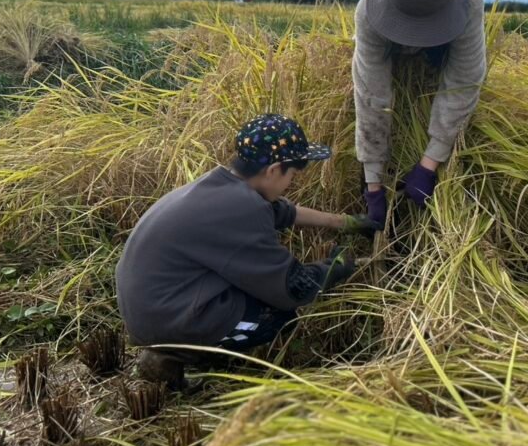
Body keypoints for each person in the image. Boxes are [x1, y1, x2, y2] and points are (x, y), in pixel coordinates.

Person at [115, 113, 380, 388]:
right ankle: (176, 355)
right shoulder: (243, 207)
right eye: (292, 175)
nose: (291, 183)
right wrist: (339, 267)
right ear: (274, 170)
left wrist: (343, 223)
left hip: (150, 308)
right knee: (276, 315)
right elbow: (292, 288)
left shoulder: (221, 187)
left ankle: (170, 352)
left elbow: (281, 212)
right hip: (166, 319)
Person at [353, 0, 487, 225]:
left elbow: (464, 79)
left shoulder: (469, 1)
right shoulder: (369, 9)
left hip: (441, 54)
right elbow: (370, 94)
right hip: (386, 50)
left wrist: (429, 163)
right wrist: (373, 183)